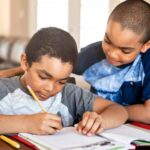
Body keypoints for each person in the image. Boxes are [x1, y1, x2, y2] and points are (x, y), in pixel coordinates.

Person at [0, 27, 128, 135]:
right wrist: (26, 123)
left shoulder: (70, 94)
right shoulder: (4, 88)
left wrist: (101, 120)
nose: (50, 88)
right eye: (43, 77)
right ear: (25, 62)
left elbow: (118, 110)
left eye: (61, 81)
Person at [73, 0, 150, 124]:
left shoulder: (147, 62)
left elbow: (148, 113)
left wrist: (113, 113)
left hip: (132, 132)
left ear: (146, 45)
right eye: (108, 41)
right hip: (92, 128)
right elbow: (59, 68)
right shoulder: (91, 53)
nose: (112, 54)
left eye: (125, 50)